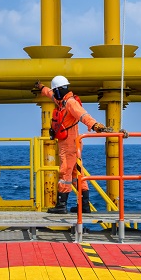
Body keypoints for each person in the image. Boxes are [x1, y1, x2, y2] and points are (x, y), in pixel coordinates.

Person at [34, 75, 107, 213]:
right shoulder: (61, 100)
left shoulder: (70, 103)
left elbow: (83, 115)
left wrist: (95, 125)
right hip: (72, 143)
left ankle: (61, 205)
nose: (54, 93)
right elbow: (50, 94)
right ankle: (84, 206)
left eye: (56, 91)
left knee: (65, 173)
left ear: (60, 90)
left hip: (69, 144)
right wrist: (41, 87)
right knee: (76, 173)